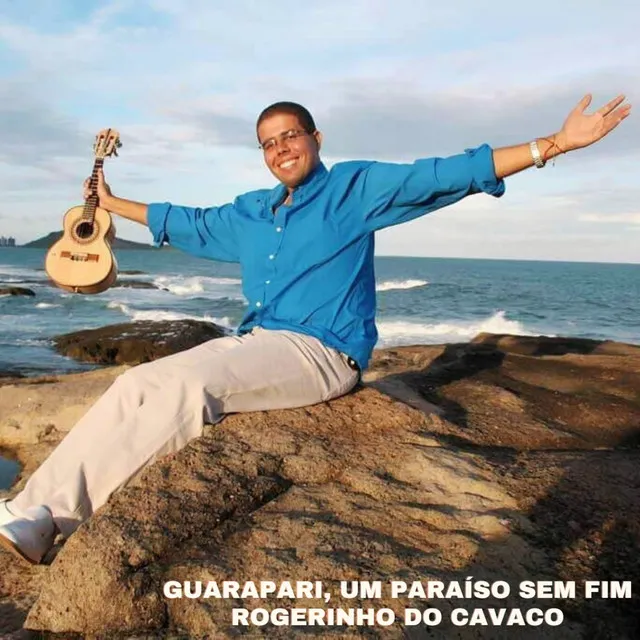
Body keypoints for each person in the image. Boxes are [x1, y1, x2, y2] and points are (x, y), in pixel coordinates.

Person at [0, 94, 631, 564]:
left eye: (289, 136)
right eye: (268, 143)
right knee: (135, 386)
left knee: (182, 388)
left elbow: (449, 172)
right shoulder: (252, 211)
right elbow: (186, 220)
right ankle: (33, 511)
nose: (280, 149)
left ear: (315, 137)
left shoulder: (355, 188)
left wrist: (556, 144)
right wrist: (110, 204)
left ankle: (49, 515)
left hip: (323, 353)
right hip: (259, 343)